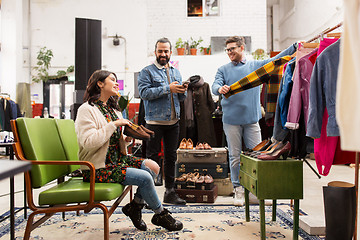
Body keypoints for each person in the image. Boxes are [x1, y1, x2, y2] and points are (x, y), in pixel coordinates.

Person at [75, 70, 183, 231]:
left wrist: (127, 140)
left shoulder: (114, 109)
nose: (116, 83)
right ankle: (160, 214)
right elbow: (88, 142)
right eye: (112, 79)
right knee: (145, 177)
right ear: (100, 83)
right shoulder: (87, 109)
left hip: (117, 160)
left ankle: (135, 206)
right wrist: (114, 125)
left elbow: (114, 140)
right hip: (98, 167)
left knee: (154, 167)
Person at [211, 36, 298, 206]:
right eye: (227, 50)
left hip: (251, 120)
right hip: (231, 121)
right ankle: (238, 190)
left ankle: (256, 190)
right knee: (235, 156)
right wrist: (219, 89)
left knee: (258, 157)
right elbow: (215, 84)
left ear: (242, 48)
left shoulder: (255, 67)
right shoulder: (223, 69)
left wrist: (294, 47)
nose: (229, 52)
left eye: (232, 49)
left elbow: (276, 60)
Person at [138, 37, 187, 205]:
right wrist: (168, 88)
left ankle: (170, 192)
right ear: (155, 52)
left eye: (166, 51)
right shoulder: (147, 72)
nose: (163, 54)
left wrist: (182, 91)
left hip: (174, 121)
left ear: (170, 52)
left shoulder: (176, 72)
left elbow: (180, 98)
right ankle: (143, 195)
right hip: (154, 122)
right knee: (151, 158)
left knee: (171, 157)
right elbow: (144, 93)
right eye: (160, 51)